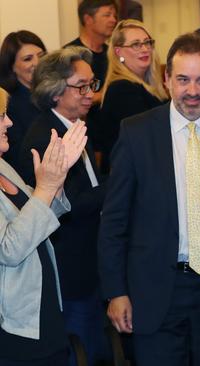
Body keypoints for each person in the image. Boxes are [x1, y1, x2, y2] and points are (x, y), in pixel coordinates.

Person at [98, 33, 200, 366]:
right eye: (183, 80)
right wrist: (116, 291)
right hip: (155, 290)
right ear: (167, 79)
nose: (193, 91)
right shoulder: (136, 133)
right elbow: (114, 220)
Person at [17, 46, 107, 366]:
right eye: (81, 86)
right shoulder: (46, 137)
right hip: (70, 268)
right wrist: (115, 188)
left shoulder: (75, 124)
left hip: (90, 263)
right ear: (55, 92)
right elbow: (66, 207)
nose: (89, 94)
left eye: (92, 84)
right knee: (79, 351)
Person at [0, 86, 89, 366]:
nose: (9, 122)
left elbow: (38, 214)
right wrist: (45, 187)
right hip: (13, 324)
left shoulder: (3, 167)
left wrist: (55, 181)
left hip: (39, 311)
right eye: (1, 115)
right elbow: (9, 249)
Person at [97, 19, 167, 172]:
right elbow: (148, 137)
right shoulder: (121, 89)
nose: (144, 49)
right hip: (130, 178)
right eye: (136, 44)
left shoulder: (148, 87)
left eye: (147, 42)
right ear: (118, 52)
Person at [0, 31, 47, 168]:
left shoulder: (52, 96)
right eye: (28, 59)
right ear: (12, 67)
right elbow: (18, 157)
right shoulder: (9, 105)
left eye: (41, 56)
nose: (37, 63)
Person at [66, 0, 118, 88]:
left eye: (114, 16)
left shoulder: (113, 53)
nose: (113, 20)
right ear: (88, 19)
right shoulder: (69, 54)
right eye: (107, 15)